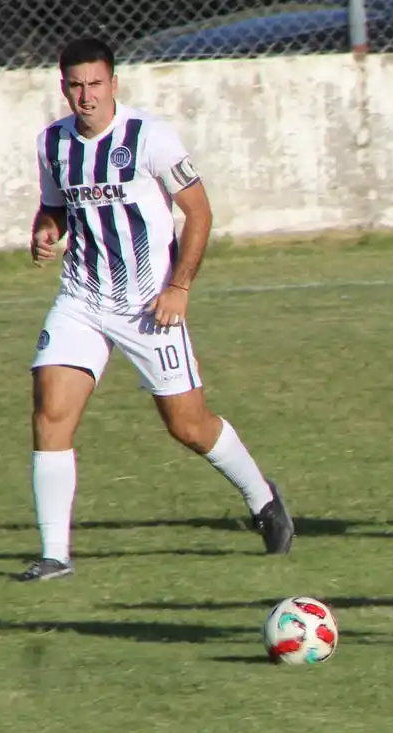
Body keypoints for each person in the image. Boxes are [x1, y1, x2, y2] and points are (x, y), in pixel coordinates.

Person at [23, 37, 294, 581]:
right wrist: (45, 235)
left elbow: (199, 212)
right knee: (50, 412)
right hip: (81, 299)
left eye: (96, 83)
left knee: (188, 425)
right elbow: (54, 211)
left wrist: (180, 286)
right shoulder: (53, 143)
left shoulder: (149, 138)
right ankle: (55, 556)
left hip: (148, 305)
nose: (86, 95)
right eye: (76, 85)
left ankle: (263, 500)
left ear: (114, 84)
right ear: (63, 88)